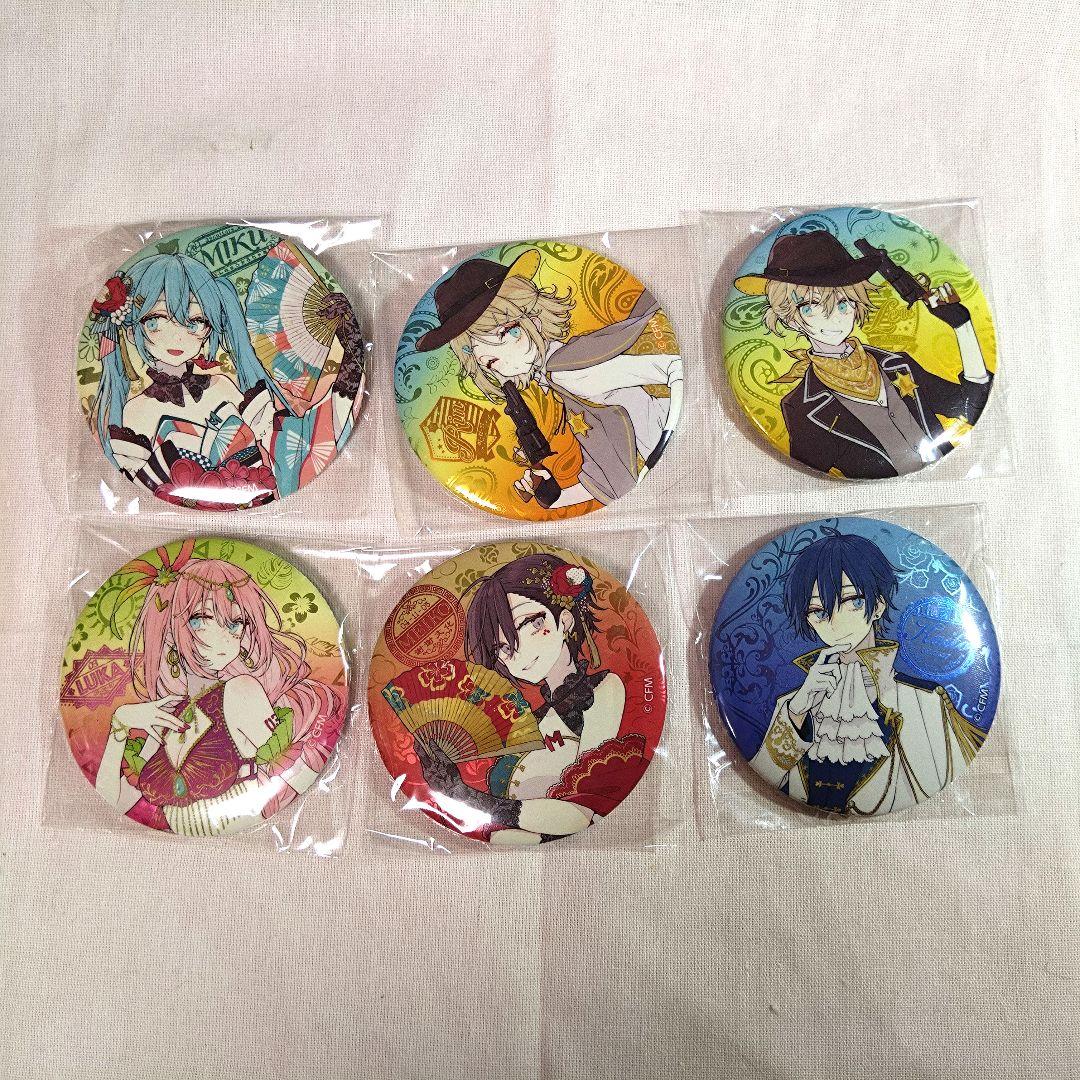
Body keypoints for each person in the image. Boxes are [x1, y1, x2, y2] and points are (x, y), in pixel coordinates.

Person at [95, 542, 343, 835]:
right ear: (170, 629)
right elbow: (113, 797)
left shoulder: (241, 691)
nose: (224, 637)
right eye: (200, 620)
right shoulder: (169, 714)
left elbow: (288, 772)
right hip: (175, 851)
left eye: (236, 623)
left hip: (249, 842)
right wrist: (120, 723)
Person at [88, 244, 364, 507]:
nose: (177, 337)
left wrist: (348, 354)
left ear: (211, 327)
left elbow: (286, 448)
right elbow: (146, 486)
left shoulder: (223, 387)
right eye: (155, 322)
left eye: (195, 323)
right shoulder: (136, 412)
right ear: (130, 329)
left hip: (263, 498)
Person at [415, 249, 682, 508]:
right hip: (662, 469)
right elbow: (606, 480)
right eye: (486, 362)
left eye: (503, 334)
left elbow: (669, 367)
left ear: (532, 321)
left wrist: (667, 432)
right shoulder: (559, 380)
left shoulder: (568, 372)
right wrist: (551, 496)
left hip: (671, 456)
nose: (497, 368)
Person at [414, 553, 648, 844]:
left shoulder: (603, 690)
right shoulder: (531, 722)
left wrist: (465, 795)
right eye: (502, 647)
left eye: (530, 624)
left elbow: (582, 811)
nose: (516, 653)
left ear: (564, 621)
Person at [750, 530, 985, 814]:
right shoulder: (793, 706)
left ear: (878, 606)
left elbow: (939, 777)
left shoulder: (925, 701)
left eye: (852, 601)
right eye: (819, 612)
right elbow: (761, 778)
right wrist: (797, 711)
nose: (835, 623)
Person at [733, 230, 993, 478]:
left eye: (843, 303)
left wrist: (963, 327)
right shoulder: (801, 406)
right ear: (790, 319)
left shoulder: (897, 364)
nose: (832, 317)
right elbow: (806, 471)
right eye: (810, 307)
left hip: (947, 472)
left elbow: (968, 404)